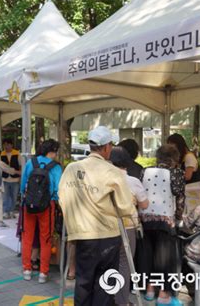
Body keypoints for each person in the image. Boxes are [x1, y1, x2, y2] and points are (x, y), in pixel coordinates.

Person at [58, 126, 135, 305]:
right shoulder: (112, 171)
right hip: (107, 236)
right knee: (105, 285)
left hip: (82, 235)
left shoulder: (71, 168)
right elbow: (125, 208)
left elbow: (62, 197)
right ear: (107, 147)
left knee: (83, 282)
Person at [138, 144, 185, 305]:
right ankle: (163, 295)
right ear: (175, 159)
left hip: (145, 218)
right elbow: (180, 197)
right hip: (165, 219)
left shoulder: (145, 170)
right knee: (164, 258)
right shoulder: (176, 172)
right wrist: (178, 216)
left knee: (148, 254)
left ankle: (150, 290)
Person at [110, 146, 149, 305]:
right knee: (125, 264)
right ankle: (122, 301)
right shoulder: (133, 181)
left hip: (106, 227)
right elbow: (145, 204)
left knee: (108, 263)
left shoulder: (104, 180)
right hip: (128, 227)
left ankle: (107, 299)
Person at [21, 139, 62, 284]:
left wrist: (25, 198)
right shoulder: (56, 167)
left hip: (29, 205)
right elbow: (58, 189)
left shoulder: (30, 163)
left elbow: (23, 184)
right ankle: (43, 273)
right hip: (47, 206)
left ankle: (27, 269)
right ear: (52, 151)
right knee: (46, 238)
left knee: (27, 237)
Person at [1, 138, 23, 219]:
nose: (6, 146)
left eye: (7, 144)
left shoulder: (17, 153)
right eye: (4, 145)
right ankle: (5, 211)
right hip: (5, 179)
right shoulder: (1, 154)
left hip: (15, 179)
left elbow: (21, 165)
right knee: (5, 196)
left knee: (14, 196)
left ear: (11, 145)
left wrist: (20, 176)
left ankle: (12, 211)